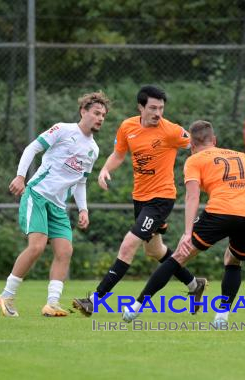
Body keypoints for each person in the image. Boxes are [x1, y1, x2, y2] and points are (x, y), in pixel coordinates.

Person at [121, 120, 245, 326]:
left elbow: (193, 197)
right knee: (233, 262)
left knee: (178, 258)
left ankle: (136, 307)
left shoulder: (195, 160)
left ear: (191, 145)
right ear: (214, 140)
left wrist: (187, 232)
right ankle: (221, 317)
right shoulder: (242, 156)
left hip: (221, 211)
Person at [72, 85, 206, 316]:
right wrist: (104, 169)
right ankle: (195, 284)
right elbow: (119, 154)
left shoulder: (172, 131)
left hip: (161, 199)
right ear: (140, 107)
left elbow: (201, 147)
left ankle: (94, 299)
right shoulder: (128, 127)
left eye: (161, 108)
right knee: (155, 251)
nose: (158, 113)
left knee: (128, 246)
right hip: (140, 199)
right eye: (153, 108)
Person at [0, 91, 110, 317]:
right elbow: (32, 148)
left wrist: (84, 208)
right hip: (38, 195)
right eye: (96, 113)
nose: (100, 118)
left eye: (103, 115)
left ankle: (52, 304)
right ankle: (7, 295)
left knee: (65, 250)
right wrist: (20, 176)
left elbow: (80, 182)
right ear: (83, 111)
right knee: (36, 247)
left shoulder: (94, 150)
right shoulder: (63, 130)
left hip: (58, 206)